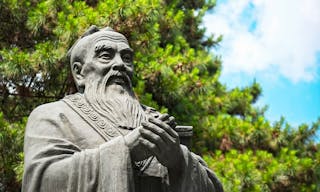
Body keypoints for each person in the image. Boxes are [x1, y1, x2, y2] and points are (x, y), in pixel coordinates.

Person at [22, 26, 223, 192]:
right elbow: (41, 181)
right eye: (105, 56)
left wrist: (179, 162)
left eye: (126, 58)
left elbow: (213, 187)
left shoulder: (157, 122)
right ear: (79, 72)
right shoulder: (54, 115)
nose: (120, 64)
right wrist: (126, 149)